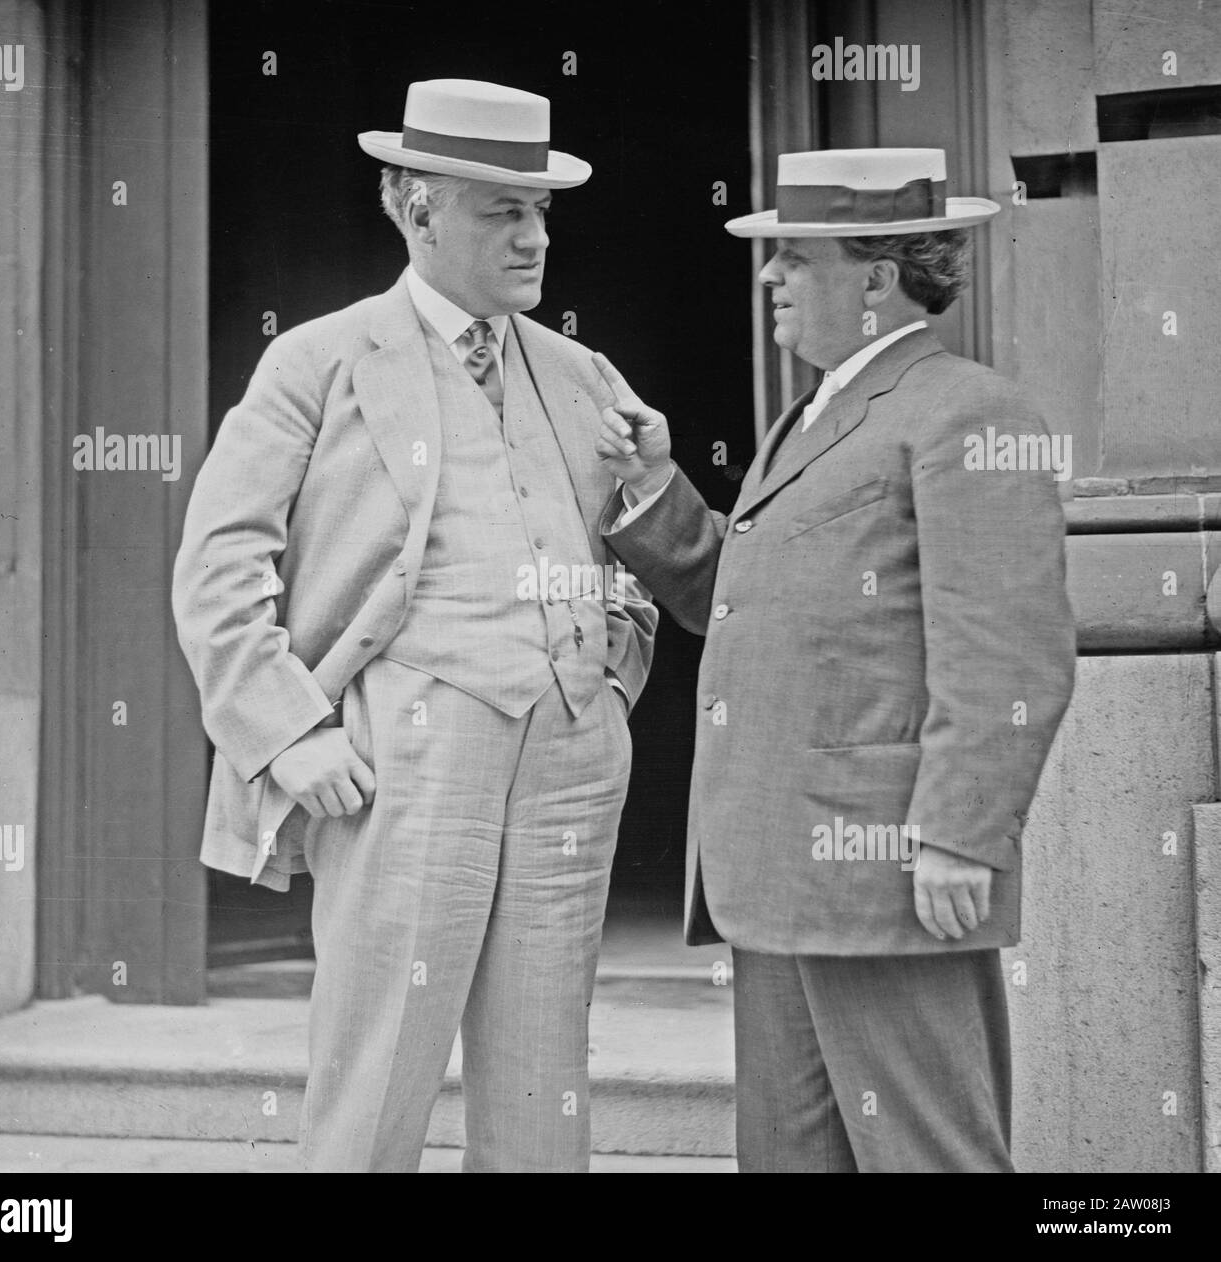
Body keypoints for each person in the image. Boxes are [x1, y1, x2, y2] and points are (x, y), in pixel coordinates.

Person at [172, 78, 656, 1173]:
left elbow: (623, 555)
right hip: (403, 752)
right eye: (501, 211)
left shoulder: (585, 376)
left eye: (540, 212)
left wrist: (610, 675)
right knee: (377, 1064)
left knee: (545, 1077)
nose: (533, 237)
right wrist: (291, 730)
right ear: (415, 207)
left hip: (571, 752)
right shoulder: (317, 361)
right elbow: (217, 563)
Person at [594, 147, 1075, 1172]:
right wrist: (655, 489)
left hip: (886, 876)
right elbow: (748, 597)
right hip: (773, 872)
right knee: (788, 1156)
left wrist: (958, 830)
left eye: (791, 257)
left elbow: (1009, 647)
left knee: (925, 1152)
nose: (769, 277)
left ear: (872, 275)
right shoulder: (810, 416)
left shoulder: (968, 411)